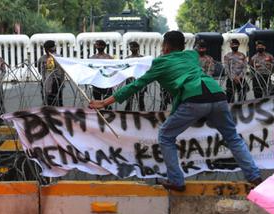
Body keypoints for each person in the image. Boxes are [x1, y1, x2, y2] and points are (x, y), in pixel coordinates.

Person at [89, 31, 262, 191]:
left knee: (165, 136)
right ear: (182, 46)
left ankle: (176, 181)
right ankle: (254, 176)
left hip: (194, 98)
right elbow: (187, 59)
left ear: (165, 46)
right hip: (217, 94)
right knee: (232, 137)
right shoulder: (192, 55)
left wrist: (104, 102)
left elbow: (135, 86)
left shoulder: (160, 62)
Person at [37, 40, 65, 106]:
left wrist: (61, 82)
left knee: (55, 101)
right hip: (47, 81)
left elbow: (62, 71)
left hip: (55, 83)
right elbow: (40, 71)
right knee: (49, 101)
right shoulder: (42, 59)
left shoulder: (58, 58)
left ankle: (54, 111)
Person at [90, 40, 114, 109]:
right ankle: (99, 116)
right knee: (97, 102)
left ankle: (108, 116)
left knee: (107, 103)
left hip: (107, 83)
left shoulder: (109, 58)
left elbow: (113, 70)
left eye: (99, 45)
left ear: (104, 46)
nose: (97, 46)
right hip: (97, 83)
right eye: (96, 45)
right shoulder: (92, 58)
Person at [124, 41, 146, 111]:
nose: (132, 48)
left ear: (137, 48)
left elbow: (145, 70)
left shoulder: (142, 58)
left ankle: (142, 113)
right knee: (129, 99)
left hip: (140, 81)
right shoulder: (127, 58)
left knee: (140, 99)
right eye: (131, 47)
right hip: (130, 80)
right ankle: (127, 113)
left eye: (133, 46)